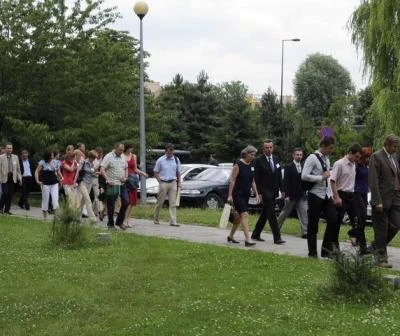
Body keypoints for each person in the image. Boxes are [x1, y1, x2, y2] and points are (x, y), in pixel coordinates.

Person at [301, 136, 339, 258]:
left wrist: (332, 195)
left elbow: (328, 177)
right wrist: (320, 177)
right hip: (315, 194)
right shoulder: (312, 158)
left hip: (326, 195)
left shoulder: (327, 159)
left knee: (333, 220)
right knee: (313, 224)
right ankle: (312, 253)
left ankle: (326, 250)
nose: (331, 151)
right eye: (329, 148)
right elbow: (304, 176)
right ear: (323, 146)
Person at [369, 134, 400, 268]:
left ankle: (375, 246)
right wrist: (377, 200)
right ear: (387, 144)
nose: (396, 148)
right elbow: (373, 180)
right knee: (381, 229)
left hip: (395, 197)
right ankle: (381, 259)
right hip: (382, 198)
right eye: (394, 146)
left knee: (396, 224)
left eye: (397, 146)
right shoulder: (377, 156)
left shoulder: (393, 157)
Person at [330, 143, 366, 253]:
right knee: (337, 223)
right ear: (350, 152)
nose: (357, 159)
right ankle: (334, 248)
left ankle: (362, 247)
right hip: (341, 194)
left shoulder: (354, 164)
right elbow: (333, 181)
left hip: (352, 195)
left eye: (359, 158)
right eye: (356, 157)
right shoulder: (339, 164)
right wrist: (336, 197)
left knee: (359, 220)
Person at [252, 139, 285, 244]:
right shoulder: (258, 160)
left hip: (274, 191)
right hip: (265, 192)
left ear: (273, 148)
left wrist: (282, 189)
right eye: (267, 147)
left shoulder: (275, 159)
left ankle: (255, 234)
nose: (269, 149)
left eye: (270, 147)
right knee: (272, 214)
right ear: (263, 148)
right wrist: (259, 193)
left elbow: (279, 175)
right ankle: (277, 237)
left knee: (265, 214)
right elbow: (256, 178)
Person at [227, 145, 260, 247]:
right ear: (245, 154)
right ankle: (248, 239)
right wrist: (230, 195)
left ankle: (231, 236)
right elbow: (232, 180)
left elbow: (253, 181)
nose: (253, 156)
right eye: (251, 154)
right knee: (244, 215)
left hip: (246, 194)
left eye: (254, 155)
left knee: (237, 217)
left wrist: (256, 193)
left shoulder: (252, 165)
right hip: (237, 194)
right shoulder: (238, 164)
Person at [277, 148, 308, 238]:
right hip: (291, 195)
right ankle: (276, 227)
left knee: (304, 212)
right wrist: (286, 195)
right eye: (297, 154)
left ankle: (305, 232)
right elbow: (286, 181)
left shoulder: (304, 166)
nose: (299, 156)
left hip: (301, 195)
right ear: (293, 155)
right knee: (285, 212)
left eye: (300, 155)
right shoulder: (288, 166)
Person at [100, 143, 129, 230]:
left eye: (122, 150)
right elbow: (102, 169)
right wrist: (107, 179)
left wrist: (126, 177)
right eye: (120, 150)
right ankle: (110, 224)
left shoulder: (123, 157)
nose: (121, 152)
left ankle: (119, 222)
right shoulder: (108, 156)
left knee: (126, 202)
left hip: (122, 183)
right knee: (111, 205)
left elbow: (126, 168)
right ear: (115, 148)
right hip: (112, 183)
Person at [153, 143, 181, 227]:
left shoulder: (176, 159)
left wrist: (179, 182)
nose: (170, 155)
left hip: (173, 182)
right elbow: (155, 172)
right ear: (165, 152)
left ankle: (173, 221)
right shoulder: (160, 160)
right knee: (160, 202)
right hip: (163, 182)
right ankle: (156, 218)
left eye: (171, 153)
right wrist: (160, 182)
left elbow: (178, 172)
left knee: (172, 203)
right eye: (168, 153)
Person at [350, 147, 372, 249]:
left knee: (363, 219)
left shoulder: (366, 166)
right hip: (356, 192)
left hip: (364, 192)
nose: (368, 159)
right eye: (367, 157)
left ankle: (358, 240)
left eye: (369, 157)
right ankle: (353, 234)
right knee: (361, 215)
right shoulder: (356, 166)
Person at [122, 141, 148, 227]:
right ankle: (124, 220)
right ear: (127, 148)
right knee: (127, 201)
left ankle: (128, 219)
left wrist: (143, 173)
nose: (132, 149)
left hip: (133, 181)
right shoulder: (121, 156)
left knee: (132, 202)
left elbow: (135, 169)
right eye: (130, 147)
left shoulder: (134, 156)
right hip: (125, 180)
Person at [34, 150, 63, 218]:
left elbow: (58, 172)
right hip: (45, 184)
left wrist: (61, 180)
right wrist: (37, 181)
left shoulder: (56, 162)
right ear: (48, 156)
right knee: (45, 200)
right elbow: (36, 172)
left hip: (54, 183)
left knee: (55, 200)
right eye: (52, 155)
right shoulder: (42, 163)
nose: (53, 156)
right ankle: (45, 217)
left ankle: (56, 217)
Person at [74, 150, 97, 222]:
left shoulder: (92, 164)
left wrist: (96, 174)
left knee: (83, 201)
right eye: (93, 158)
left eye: (95, 158)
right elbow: (78, 172)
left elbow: (91, 173)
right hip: (82, 183)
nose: (94, 159)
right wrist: (74, 182)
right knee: (88, 200)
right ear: (90, 157)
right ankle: (92, 218)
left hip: (89, 183)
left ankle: (77, 216)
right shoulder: (83, 162)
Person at [0, 143, 22, 215]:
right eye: (8, 148)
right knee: (5, 193)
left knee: (10, 195)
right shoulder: (1, 157)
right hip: (3, 178)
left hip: (12, 178)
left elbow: (18, 169)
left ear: (12, 149)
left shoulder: (15, 157)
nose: (9, 149)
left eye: (10, 148)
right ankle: (0, 208)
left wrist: (20, 178)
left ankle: (7, 210)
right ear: (5, 149)